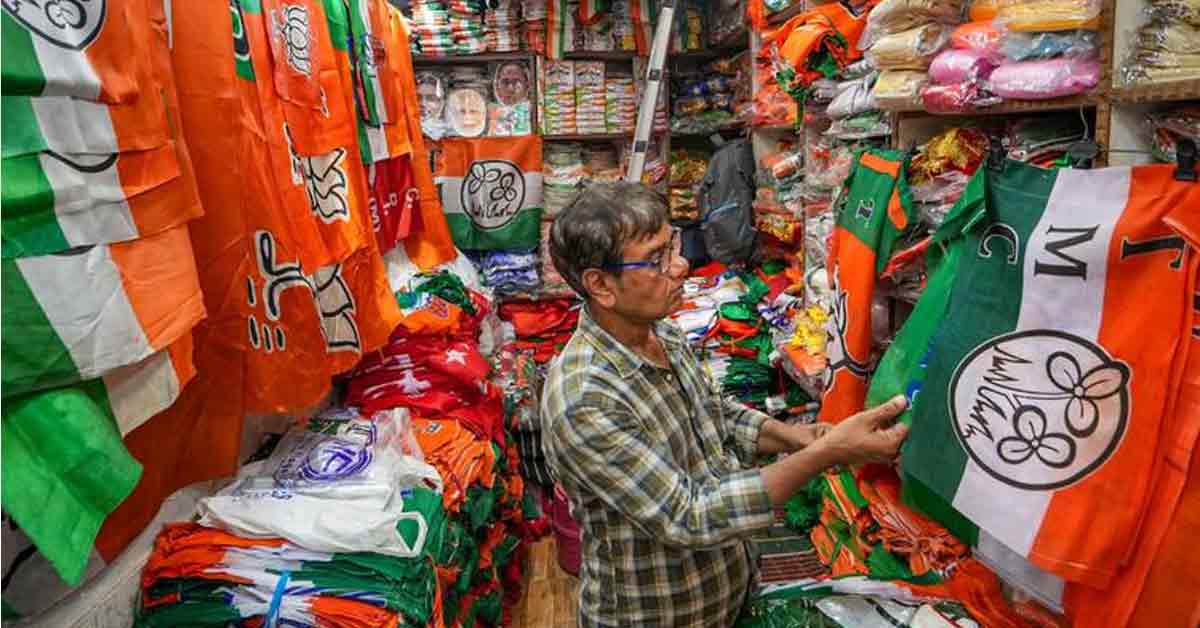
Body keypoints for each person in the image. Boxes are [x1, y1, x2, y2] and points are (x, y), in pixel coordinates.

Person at [540, 182, 910, 628]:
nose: (680, 265)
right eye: (656, 259)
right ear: (600, 285)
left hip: (724, 594)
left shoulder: (661, 334)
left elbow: (715, 412)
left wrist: (797, 436)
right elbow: (691, 514)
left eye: (672, 245)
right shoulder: (585, 398)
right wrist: (823, 455)